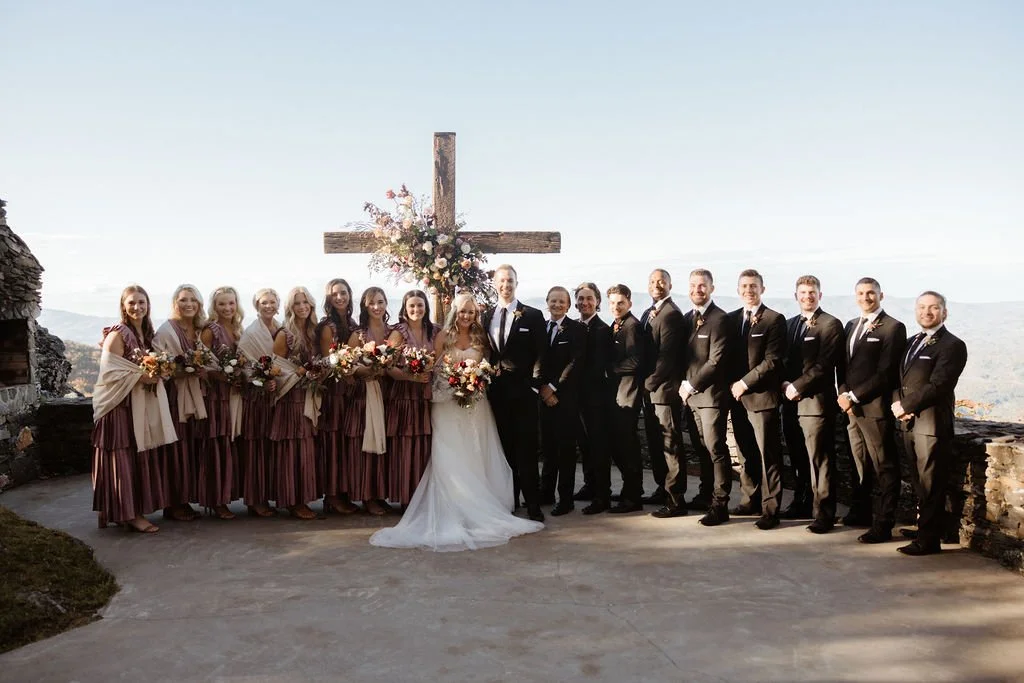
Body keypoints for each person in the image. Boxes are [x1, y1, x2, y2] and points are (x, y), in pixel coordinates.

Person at [369, 293, 544, 551]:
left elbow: (486, 366)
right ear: (455, 311)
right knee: (449, 451)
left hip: (475, 403)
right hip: (447, 404)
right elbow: (435, 369)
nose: (466, 316)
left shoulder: (480, 337)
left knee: (476, 451)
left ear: (476, 315)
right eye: (463, 311)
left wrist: (473, 381)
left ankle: (482, 502)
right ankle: (453, 504)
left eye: (471, 312)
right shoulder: (443, 336)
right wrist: (454, 382)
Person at [92, 285, 176, 533]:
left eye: (142, 302)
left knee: (136, 459)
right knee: (123, 459)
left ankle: (130, 509)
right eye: (132, 303)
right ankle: (129, 514)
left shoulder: (146, 334)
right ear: (123, 305)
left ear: (148, 305)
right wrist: (142, 377)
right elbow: (110, 372)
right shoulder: (118, 334)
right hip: (118, 406)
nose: (137, 307)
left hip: (138, 405)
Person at [892, 291, 968, 555]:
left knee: (931, 484)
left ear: (944, 312)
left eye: (933, 308)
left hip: (932, 426)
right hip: (910, 423)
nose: (927, 312)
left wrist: (907, 406)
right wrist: (898, 406)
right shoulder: (912, 341)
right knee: (918, 482)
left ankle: (929, 541)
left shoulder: (953, 345)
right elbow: (899, 380)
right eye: (922, 307)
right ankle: (924, 526)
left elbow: (939, 384)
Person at [838, 277, 906, 544]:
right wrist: (844, 394)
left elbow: (886, 372)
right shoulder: (851, 325)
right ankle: (861, 511)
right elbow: (843, 366)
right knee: (859, 463)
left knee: (884, 466)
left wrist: (854, 395)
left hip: (875, 409)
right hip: (851, 409)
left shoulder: (893, 328)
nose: (866, 297)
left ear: (881, 295)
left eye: (871, 293)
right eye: (861, 293)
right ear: (855, 296)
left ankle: (884, 523)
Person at [780, 276, 845, 534]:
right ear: (796, 296)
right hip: (790, 403)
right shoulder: (790, 325)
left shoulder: (830, 324)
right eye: (803, 292)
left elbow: (825, 365)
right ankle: (802, 502)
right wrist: (784, 383)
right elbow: (782, 360)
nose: (807, 296)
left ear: (820, 295)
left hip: (815, 403)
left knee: (820, 459)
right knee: (797, 456)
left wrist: (796, 386)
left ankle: (824, 513)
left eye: (812, 292)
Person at [482, 265, 547, 522]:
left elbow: (542, 354)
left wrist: (534, 385)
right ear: (495, 284)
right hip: (497, 393)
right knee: (505, 450)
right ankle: (510, 500)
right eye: (501, 281)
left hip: (524, 393)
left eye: (510, 280)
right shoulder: (487, 315)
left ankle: (533, 504)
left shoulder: (532, 315)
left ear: (516, 283)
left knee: (527, 451)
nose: (506, 285)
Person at [728, 269, 787, 530]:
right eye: (744, 286)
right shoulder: (731, 320)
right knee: (745, 453)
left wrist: (744, 383)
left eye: (754, 286)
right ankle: (749, 499)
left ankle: (770, 509)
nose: (749, 290)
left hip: (762, 398)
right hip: (736, 399)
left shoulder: (775, 319)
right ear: (738, 290)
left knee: (768, 456)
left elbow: (773, 361)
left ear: (762, 289)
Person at [677, 269, 734, 526]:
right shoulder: (689, 318)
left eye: (702, 286)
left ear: (711, 288)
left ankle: (720, 505)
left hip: (711, 396)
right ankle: (705, 495)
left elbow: (716, 360)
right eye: (693, 285)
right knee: (701, 450)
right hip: (692, 399)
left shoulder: (720, 319)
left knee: (716, 449)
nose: (697, 290)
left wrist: (690, 386)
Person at [154, 284, 209, 522]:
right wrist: (182, 370)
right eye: (184, 300)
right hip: (175, 396)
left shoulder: (199, 329)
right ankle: (173, 503)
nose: (188, 304)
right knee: (176, 450)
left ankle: (185, 498)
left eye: (193, 300)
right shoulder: (167, 330)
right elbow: (158, 364)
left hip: (196, 395)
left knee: (191, 450)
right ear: (175, 303)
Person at [269, 286, 321, 520]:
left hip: (310, 396)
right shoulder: (284, 334)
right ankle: (292, 500)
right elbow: (275, 370)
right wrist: (299, 373)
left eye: (306, 303)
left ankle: (303, 497)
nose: (302, 307)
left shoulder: (314, 332)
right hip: (290, 400)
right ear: (290, 308)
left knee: (307, 450)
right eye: (297, 303)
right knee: (292, 450)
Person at [639, 269, 688, 516]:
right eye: (652, 281)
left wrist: (646, 384)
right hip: (652, 392)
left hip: (664, 390)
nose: (657, 285)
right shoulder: (649, 312)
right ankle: (662, 488)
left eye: (662, 281)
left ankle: (676, 499)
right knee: (657, 443)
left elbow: (666, 358)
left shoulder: (671, 314)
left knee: (671, 445)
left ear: (670, 285)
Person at [342, 287, 393, 515]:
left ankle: (380, 494)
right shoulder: (358, 334)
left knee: (384, 445)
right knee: (364, 446)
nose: (377, 307)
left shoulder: (393, 331)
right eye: (372, 303)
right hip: (363, 396)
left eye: (380, 302)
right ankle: (366, 496)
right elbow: (346, 366)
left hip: (388, 393)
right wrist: (366, 370)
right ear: (364, 305)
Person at [385, 290, 438, 507]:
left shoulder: (434, 331)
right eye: (412, 306)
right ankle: (406, 497)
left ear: (426, 307)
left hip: (426, 397)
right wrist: (410, 376)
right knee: (405, 447)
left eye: (420, 305)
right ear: (405, 309)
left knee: (424, 447)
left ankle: (423, 496)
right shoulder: (398, 333)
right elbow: (387, 367)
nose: (416, 310)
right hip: (404, 399)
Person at [537, 286, 586, 515]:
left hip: (565, 399)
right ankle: (545, 492)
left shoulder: (576, 329)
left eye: (561, 301)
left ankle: (565, 499)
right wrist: (542, 390)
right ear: (547, 302)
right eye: (553, 301)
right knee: (548, 448)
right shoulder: (542, 328)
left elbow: (575, 363)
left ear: (568, 305)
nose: (557, 305)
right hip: (543, 397)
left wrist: (554, 388)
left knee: (565, 450)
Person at [197, 285, 244, 519]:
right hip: (215, 397)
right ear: (214, 307)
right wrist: (222, 375)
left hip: (233, 395)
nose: (227, 308)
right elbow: (200, 364)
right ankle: (215, 500)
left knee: (230, 445)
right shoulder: (211, 330)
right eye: (222, 304)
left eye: (231, 303)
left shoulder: (237, 329)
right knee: (216, 445)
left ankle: (227, 495)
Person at [316, 278, 360, 515]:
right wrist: (346, 372)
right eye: (335, 294)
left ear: (350, 295)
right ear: (329, 298)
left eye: (343, 293)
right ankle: (331, 496)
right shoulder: (327, 326)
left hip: (350, 391)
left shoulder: (352, 323)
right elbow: (326, 361)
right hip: (333, 391)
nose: (340, 298)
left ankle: (343, 492)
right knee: (333, 442)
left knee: (345, 443)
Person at [237, 287, 281, 517]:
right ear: (256, 305)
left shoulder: (280, 328)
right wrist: (261, 381)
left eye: (272, 302)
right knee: (256, 448)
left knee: (270, 449)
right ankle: (255, 499)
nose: (269, 306)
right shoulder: (251, 332)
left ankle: (268, 494)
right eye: (264, 302)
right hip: (256, 397)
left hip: (277, 396)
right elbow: (245, 363)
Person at [572, 282, 615, 515]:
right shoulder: (574, 327)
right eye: (580, 298)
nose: (584, 303)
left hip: (596, 398)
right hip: (576, 398)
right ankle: (590, 485)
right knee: (585, 446)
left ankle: (603, 495)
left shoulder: (602, 330)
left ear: (597, 302)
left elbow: (598, 367)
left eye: (589, 298)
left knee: (599, 447)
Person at [605, 284, 646, 514]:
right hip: (618, 392)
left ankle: (633, 496)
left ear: (629, 302)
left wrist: (608, 369)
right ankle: (630, 491)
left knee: (627, 446)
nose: (615, 307)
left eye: (620, 302)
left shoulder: (633, 327)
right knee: (620, 446)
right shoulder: (617, 324)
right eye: (612, 303)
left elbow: (636, 361)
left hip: (628, 393)